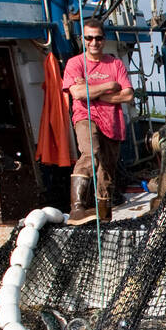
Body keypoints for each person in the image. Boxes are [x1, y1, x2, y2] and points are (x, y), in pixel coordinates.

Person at [62, 20, 134, 221]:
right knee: (90, 153)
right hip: (86, 116)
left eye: (98, 38)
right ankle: (77, 208)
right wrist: (110, 85)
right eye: (89, 38)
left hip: (113, 123)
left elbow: (128, 95)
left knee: (107, 172)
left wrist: (93, 91)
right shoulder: (75, 64)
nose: (94, 42)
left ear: (104, 39)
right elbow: (77, 93)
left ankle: (104, 216)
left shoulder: (116, 64)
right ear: (83, 40)